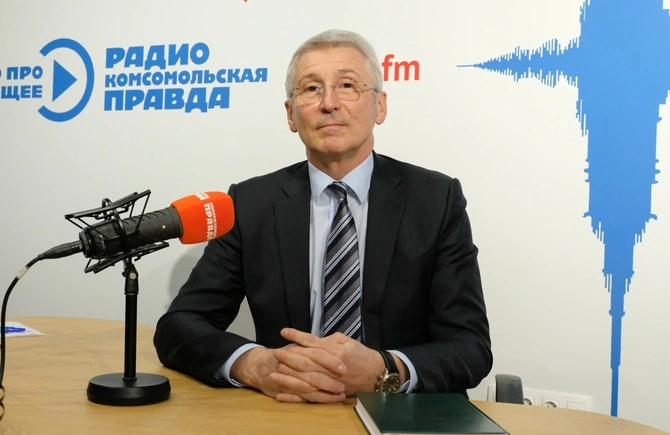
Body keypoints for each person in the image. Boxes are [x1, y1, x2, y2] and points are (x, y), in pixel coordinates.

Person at [154, 29, 492, 403]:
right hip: (287, 410)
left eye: (347, 85)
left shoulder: (435, 199)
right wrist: (255, 365)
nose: (329, 103)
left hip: (400, 413)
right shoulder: (251, 204)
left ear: (379, 106)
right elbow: (179, 326)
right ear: (291, 114)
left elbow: (470, 347)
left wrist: (383, 371)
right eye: (311, 89)